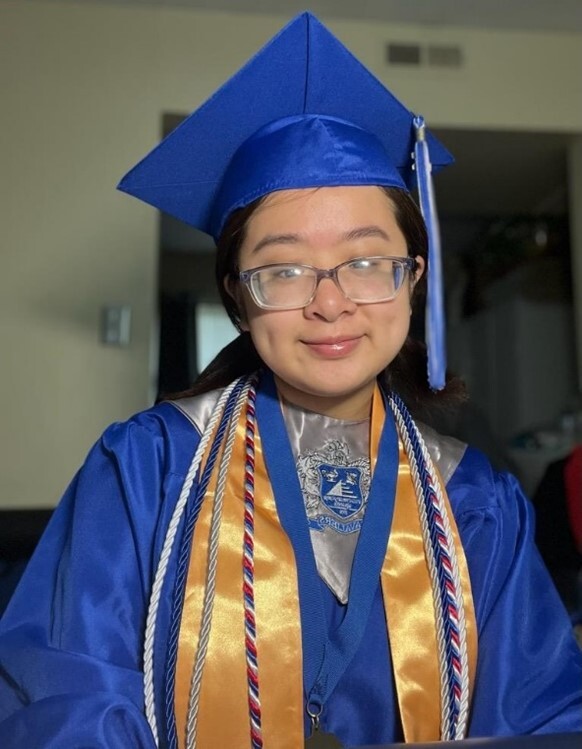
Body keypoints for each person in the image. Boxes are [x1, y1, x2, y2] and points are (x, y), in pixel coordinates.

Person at [0, 12, 580, 749]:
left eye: (368, 260)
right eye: (283, 268)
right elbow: (60, 705)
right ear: (240, 298)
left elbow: (548, 720)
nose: (329, 301)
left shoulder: (477, 504)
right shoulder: (145, 470)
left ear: (414, 281)